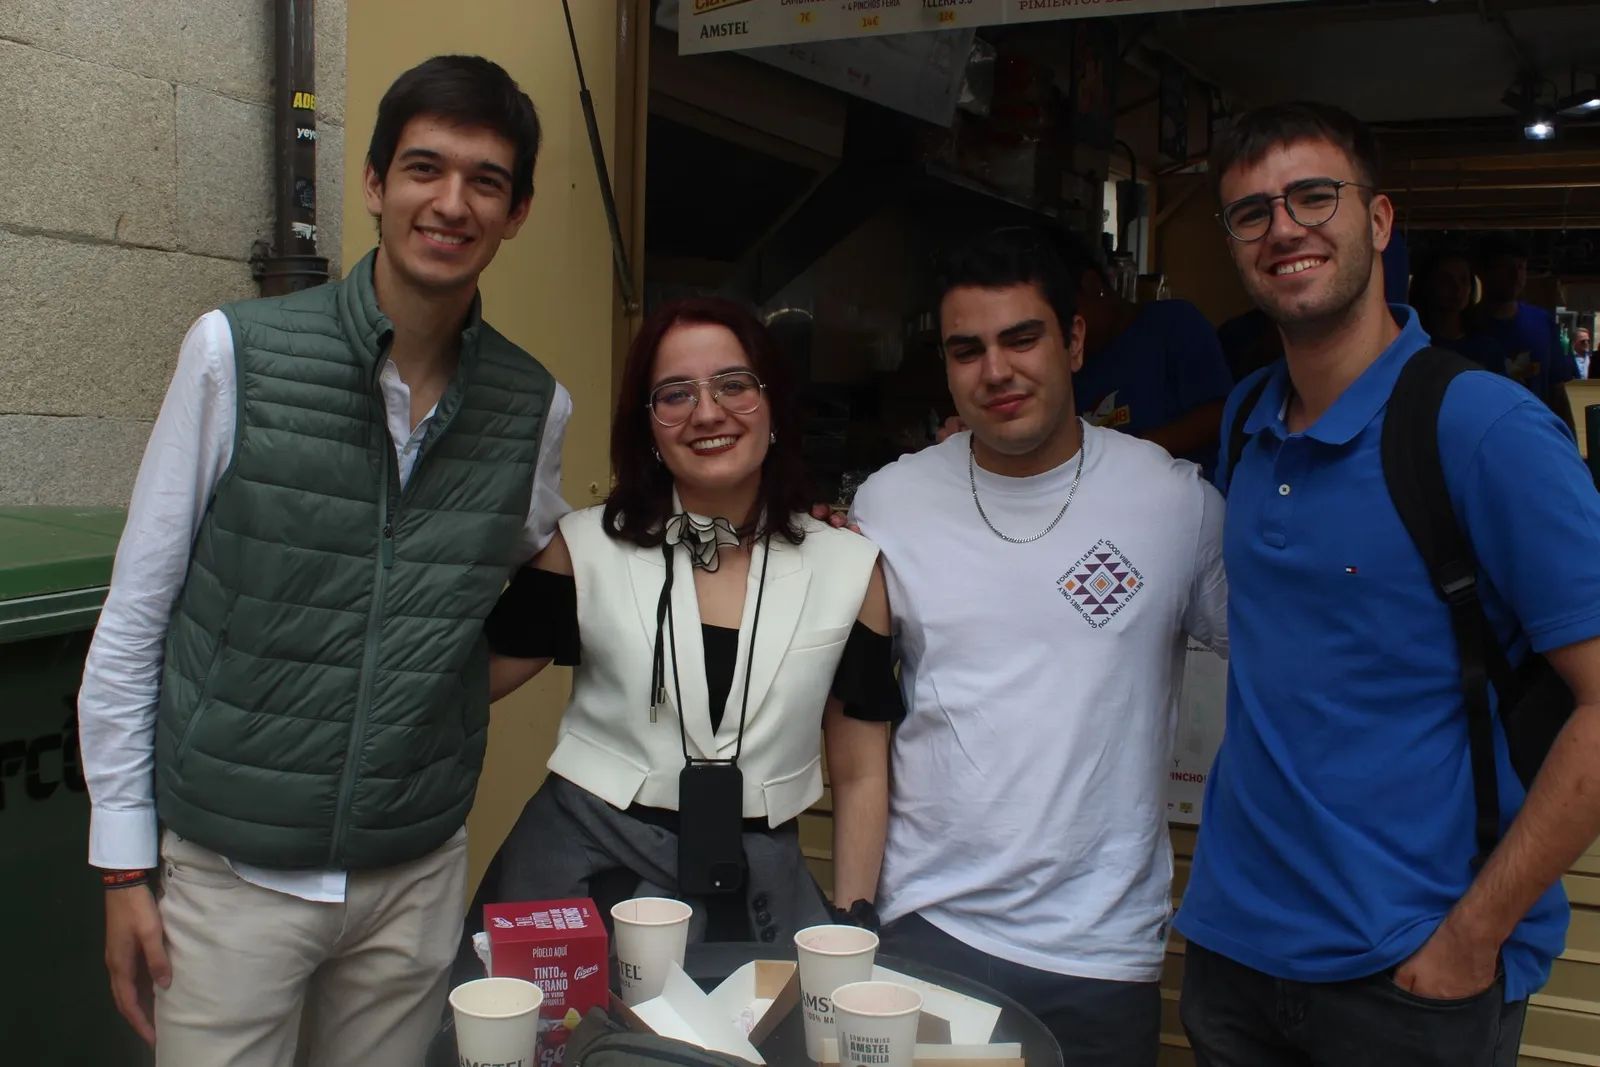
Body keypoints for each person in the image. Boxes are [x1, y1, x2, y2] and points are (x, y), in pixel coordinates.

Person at [78, 55, 572, 1067]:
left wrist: (435, 694)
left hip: (415, 871)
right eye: (425, 168)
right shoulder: (234, 352)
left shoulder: (534, 406)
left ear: (516, 211)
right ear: (375, 185)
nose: (451, 202)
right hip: (234, 872)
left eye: (485, 180)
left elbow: (543, 583)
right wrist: (124, 865)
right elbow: (137, 613)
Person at [1176, 100, 1600, 1067]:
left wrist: (1470, 939)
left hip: (1411, 970)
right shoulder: (1248, 419)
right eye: (1251, 212)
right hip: (1237, 955)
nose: (1283, 227)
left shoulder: (1480, 428)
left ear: (1378, 220)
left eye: (1314, 196)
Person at [849, 226, 1229, 1066]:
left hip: (1101, 951)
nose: (997, 371)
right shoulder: (891, 502)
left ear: (1076, 340)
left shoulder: (1172, 503)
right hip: (927, 927)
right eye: (967, 349)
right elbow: (850, 714)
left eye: (1023, 337)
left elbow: (1291, 664)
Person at [462, 295, 899, 962]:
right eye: (674, 394)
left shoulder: (849, 566)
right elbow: (462, 686)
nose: (707, 412)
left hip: (761, 895)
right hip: (582, 880)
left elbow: (861, 766)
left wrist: (853, 918)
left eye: (733, 385)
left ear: (774, 404)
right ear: (649, 426)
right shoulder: (583, 548)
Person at [1067, 240, 1235, 478]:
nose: (1068, 332)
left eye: (1063, 314)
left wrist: (1126, 452)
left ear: (1092, 285)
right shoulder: (1068, 363)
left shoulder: (1173, 323)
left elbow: (1218, 414)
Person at [1474, 232, 1576, 422]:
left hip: (1536, 435)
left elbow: (1557, 393)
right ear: (1484, 272)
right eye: (1506, 268)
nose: (1516, 276)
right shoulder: (1466, 324)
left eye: (1521, 267)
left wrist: (1570, 445)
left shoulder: (1542, 322)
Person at [1409, 246, 1510, 374]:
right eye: (1446, 280)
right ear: (1428, 284)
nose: (1457, 288)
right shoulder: (1413, 346)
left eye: (1463, 279)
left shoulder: (1487, 348)